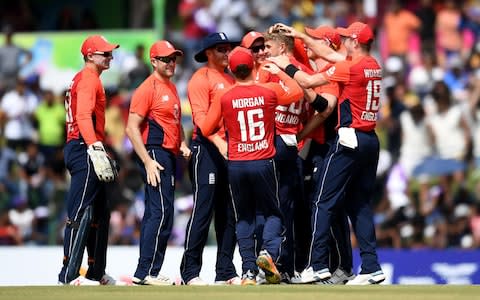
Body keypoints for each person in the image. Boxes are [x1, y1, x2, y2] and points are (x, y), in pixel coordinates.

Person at [269, 21, 386, 285]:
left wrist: (283, 65)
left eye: (347, 38)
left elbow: (309, 80)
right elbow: (332, 54)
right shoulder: (373, 64)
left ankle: (318, 265)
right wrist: (299, 35)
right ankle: (371, 266)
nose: (343, 42)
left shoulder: (349, 67)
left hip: (349, 138)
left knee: (322, 201)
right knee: (360, 205)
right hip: (370, 139)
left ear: (355, 42)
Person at [197, 46, 303, 285]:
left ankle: (247, 272)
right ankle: (267, 252)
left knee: (243, 217)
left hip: (236, 163)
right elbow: (297, 92)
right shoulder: (268, 91)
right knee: (273, 212)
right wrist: (280, 70)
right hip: (264, 161)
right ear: (253, 67)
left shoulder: (225, 96)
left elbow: (204, 128)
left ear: (232, 69)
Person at [58, 35, 122, 286]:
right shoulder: (88, 79)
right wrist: (95, 146)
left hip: (88, 145)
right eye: (105, 53)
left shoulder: (89, 78)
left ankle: (96, 272)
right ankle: (69, 274)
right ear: (90, 55)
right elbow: (84, 116)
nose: (110, 57)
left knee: (99, 214)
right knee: (81, 212)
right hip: (84, 146)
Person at [126, 40, 191, 286]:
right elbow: (131, 129)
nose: (171, 63)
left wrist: (182, 144)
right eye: (165, 59)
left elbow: (174, 124)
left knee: (162, 212)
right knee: (160, 212)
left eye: (173, 58)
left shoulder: (171, 87)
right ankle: (146, 272)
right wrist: (147, 161)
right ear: (153, 61)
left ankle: (148, 270)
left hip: (168, 155)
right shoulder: (147, 88)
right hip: (154, 153)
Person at [180, 32, 240, 286]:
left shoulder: (230, 80)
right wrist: (219, 143)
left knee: (229, 213)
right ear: (207, 53)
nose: (227, 54)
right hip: (206, 150)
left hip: (230, 150)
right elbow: (201, 122)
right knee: (203, 211)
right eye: (220, 50)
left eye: (228, 49)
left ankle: (225, 271)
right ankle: (189, 272)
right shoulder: (199, 79)